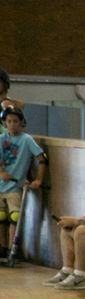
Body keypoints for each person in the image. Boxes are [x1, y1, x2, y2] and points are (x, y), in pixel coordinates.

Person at [0, 107, 46, 260]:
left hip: (14, 186)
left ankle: (13, 249)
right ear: (5, 123)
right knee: (0, 216)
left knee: (14, 217)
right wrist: (1, 173)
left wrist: (38, 179)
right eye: (9, 121)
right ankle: (2, 247)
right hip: (1, 185)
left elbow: (41, 158)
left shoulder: (26, 140)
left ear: (21, 123)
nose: (12, 125)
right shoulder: (1, 139)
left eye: (15, 121)